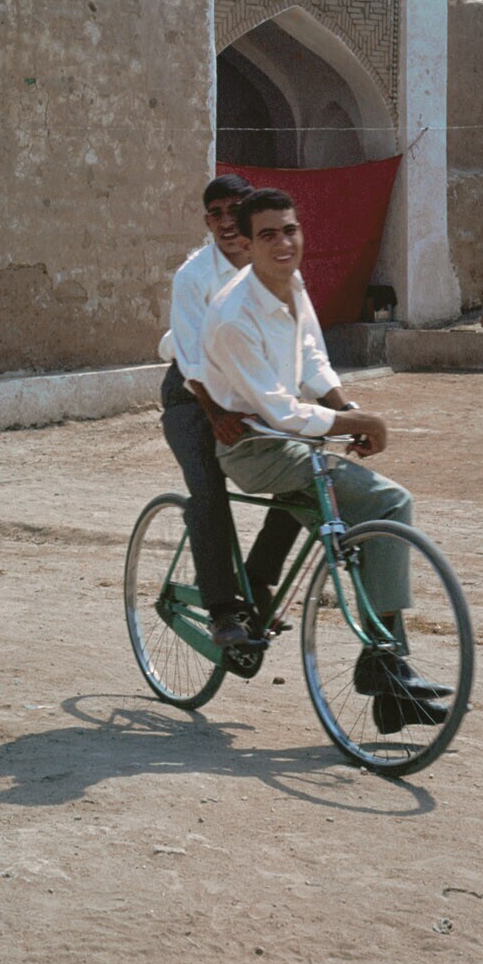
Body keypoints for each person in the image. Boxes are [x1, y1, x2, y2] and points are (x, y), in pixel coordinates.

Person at [199, 187, 451, 730]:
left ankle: (388, 684)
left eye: (290, 230)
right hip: (253, 447)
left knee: (358, 520)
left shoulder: (291, 284)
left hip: (292, 440)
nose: (283, 243)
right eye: (268, 235)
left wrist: (346, 407)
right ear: (247, 244)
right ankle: (382, 664)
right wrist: (362, 424)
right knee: (389, 502)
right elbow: (280, 410)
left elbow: (312, 358)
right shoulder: (233, 314)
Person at [158, 175, 300, 650]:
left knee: (304, 472)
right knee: (207, 489)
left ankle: (256, 579)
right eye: (215, 214)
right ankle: (222, 610)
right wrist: (215, 414)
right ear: (207, 222)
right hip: (192, 397)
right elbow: (191, 359)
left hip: (245, 391)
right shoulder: (193, 276)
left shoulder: (271, 267)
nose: (225, 222)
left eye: (234, 210)